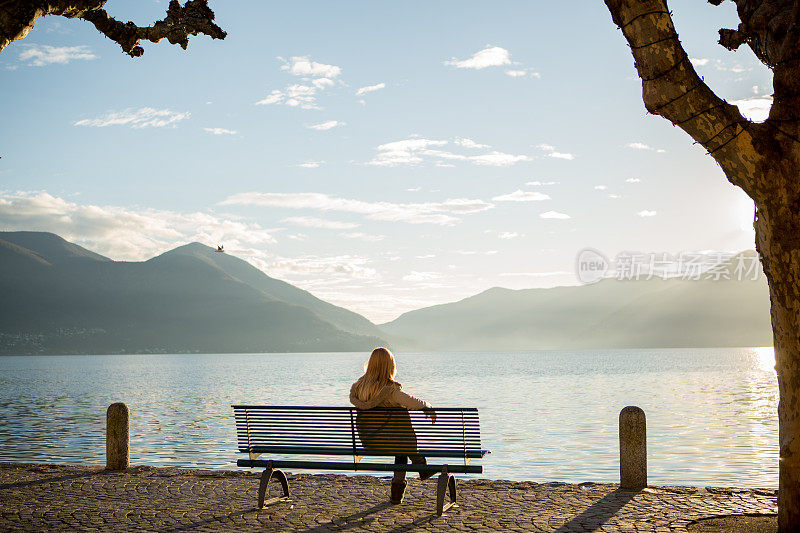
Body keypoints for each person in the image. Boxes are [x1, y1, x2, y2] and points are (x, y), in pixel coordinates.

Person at [349, 347, 436, 504]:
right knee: (401, 442)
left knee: (399, 442)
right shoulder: (390, 390)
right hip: (394, 442)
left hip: (370, 443)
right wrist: (427, 406)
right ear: (390, 366)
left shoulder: (359, 388)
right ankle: (421, 465)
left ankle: (404, 487)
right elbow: (412, 402)